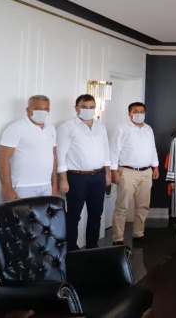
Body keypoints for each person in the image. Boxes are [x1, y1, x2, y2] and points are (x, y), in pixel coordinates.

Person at [57, 94, 111, 250]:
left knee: (96, 214)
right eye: (84, 107)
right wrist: (63, 179)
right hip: (76, 178)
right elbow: (60, 155)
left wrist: (107, 174)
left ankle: (92, 247)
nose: (89, 110)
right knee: (74, 215)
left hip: (99, 176)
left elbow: (106, 151)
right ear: (76, 108)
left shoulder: (101, 126)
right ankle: (72, 250)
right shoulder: (66, 128)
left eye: (92, 107)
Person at [109, 102, 159, 245]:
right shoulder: (121, 128)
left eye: (141, 111)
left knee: (143, 206)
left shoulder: (148, 129)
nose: (139, 114)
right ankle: (118, 237)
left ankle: (138, 233)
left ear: (145, 113)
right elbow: (114, 151)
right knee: (122, 207)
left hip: (146, 172)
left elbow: (152, 149)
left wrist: (155, 167)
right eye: (135, 111)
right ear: (129, 113)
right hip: (127, 171)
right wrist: (114, 172)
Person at [0, 95, 57, 201]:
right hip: (22, 186)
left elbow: (53, 156)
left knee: (46, 212)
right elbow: (3, 160)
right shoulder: (15, 128)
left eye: (45, 109)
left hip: (46, 185)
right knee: (20, 212)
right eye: (37, 109)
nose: (42, 112)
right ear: (28, 110)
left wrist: (54, 182)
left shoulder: (51, 128)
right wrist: (7, 189)